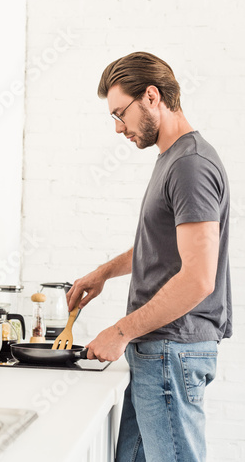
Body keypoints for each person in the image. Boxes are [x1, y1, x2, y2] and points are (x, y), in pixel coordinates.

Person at [66, 52, 232, 462]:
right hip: (158, 352)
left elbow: (198, 279)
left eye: (121, 113)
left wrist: (121, 331)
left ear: (152, 96)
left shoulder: (190, 165)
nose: (119, 128)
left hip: (170, 352)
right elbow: (162, 249)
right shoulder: (173, 159)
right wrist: (104, 272)